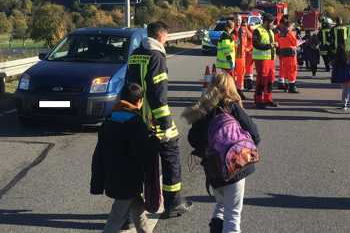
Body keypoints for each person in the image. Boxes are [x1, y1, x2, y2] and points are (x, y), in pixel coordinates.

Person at [126, 21, 192, 218]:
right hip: (155, 120)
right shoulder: (157, 56)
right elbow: (158, 93)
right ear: (161, 36)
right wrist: (165, 123)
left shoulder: (135, 54)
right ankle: (173, 204)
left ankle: (130, 212)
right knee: (171, 158)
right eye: (166, 37)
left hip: (137, 118)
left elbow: (131, 87)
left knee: (139, 164)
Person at [183, 72, 260, 233]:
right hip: (236, 165)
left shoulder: (204, 110)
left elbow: (193, 139)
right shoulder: (233, 107)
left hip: (214, 168)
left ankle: (215, 228)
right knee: (233, 215)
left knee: (221, 204)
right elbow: (255, 135)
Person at [91, 83, 157, 233]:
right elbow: (143, 152)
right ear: (139, 101)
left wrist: (97, 181)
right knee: (116, 218)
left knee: (138, 208)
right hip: (128, 178)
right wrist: (155, 141)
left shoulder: (109, 120)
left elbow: (99, 153)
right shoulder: (135, 123)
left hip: (112, 175)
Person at [252, 14, 278, 108]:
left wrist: (275, 46)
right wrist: (269, 46)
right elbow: (256, 44)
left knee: (270, 80)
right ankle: (258, 100)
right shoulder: (257, 31)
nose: (273, 24)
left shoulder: (271, 31)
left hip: (270, 59)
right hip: (261, 59)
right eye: (271, 22)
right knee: (261, 80)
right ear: (266, 22)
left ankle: (268, 99)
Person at [332, 45, 350, 114]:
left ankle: (344, 105)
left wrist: (334, 77)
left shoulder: (337, 58)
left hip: (342, 77)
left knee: (344, 91)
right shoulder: (349, 56)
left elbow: (334, 69)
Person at [275, 18, 298, 93]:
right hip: (290, 54)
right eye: (291, 26)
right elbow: (294, 43)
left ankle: (286, 84)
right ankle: (292, 87)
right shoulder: (289, 33)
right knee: (292, 70)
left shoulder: (279, 34)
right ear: (288, 26)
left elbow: (277, 42)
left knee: (285, 70)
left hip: (283, 53)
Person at [234, 18, 249, 100]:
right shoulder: (231, 29)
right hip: (232, 55)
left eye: (239, 20)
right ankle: (232, 92)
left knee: (241, 74)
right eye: (236, 20)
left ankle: (240, 91)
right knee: (232, 75)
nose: (238, 22)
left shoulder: (244, 30)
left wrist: (248, 48)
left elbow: (251, 39)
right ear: (234, 20)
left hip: (241, 56)